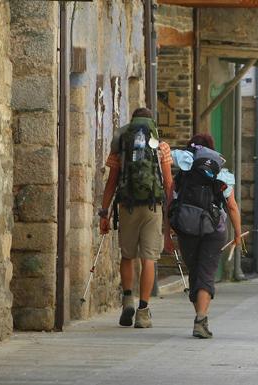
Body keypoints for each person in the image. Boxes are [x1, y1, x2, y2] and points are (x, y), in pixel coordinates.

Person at [99, 107, 174, 328]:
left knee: (128, 255)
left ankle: (127, 300)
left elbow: (112, 181)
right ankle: (143, 311)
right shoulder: (161, 145)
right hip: (152, 207)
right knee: (149, 258)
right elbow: (168, 183)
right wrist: (171, 213)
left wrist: (105, 212)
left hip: (127, 206)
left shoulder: (121, 143)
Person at [170, 134, 241, 339]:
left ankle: (199, 317)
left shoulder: (184, 172)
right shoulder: (221, 172)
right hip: (214, 229)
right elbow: (232, 206)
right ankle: (201, 318)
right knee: (206, 273)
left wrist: (168, 232)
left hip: (186, 227)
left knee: (195, 271)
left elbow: (171, 201)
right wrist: (237, 233)